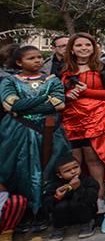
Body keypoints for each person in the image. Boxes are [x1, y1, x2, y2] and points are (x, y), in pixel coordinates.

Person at [0, 45, 71, 225]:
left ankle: (45, 211)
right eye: (31, 58)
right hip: (18, 132)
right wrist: (43, 99)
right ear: (19, 62)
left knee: (51, 168)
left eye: (39, 57)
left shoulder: (52, 80)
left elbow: (59, 104)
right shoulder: (9, 82)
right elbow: (10, 104)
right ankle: (24, 213)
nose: (37, 60)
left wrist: (23, 106)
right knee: (19, 170)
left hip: (49, 131)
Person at [60, 33, 105, 213]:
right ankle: (76, 204)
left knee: (94, 160)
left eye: (87, 45)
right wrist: (66, 96)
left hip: (95, 120)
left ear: (93, 47)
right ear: (72, 48)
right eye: (79, 45)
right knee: (73, 164)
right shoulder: (63, 70)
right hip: (70, 120)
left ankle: (98, 200)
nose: (83, 48)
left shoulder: (102, 68)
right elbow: (54, 95)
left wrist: (86, 92)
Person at [43, 156, 99, 241]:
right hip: (64, 217)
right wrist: (56, 197)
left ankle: (87, 224)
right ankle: (59, 228)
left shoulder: (88, 180)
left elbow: (91, 199)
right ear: (59, 175)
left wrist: (79, 188)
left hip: (84, 214)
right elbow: (47, 206)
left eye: (76, 167)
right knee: (61, 205)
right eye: (67, 171)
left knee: (77, 202)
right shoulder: (54, 186)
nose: (73, 172)